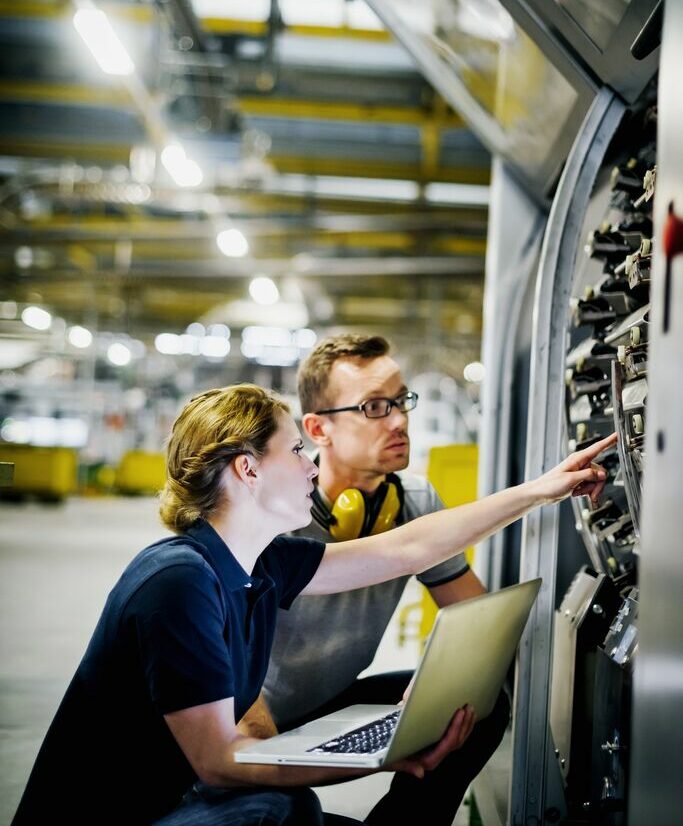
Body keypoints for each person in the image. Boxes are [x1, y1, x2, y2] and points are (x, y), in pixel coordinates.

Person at [11, 383, 615, 826]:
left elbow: (408, 548)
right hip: (139, 813)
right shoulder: (178, 582)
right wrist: (385, 756)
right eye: (296, 451)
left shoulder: (262, 562)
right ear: (247, 470)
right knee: (277, 808)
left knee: (292, 805)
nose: (311, 465)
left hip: (186, 798)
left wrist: (543, 489)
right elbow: (223, 763)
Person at [258, 334, 507, 825]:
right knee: (277, 811)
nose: (398, 420)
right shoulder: (273, 512)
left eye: (399, 401)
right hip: (248, 715)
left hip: (328, 698)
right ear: (318, 429)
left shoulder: (413, 502)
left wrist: (443, 679)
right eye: (374, 407)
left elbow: (478, 620)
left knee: (477, 707)